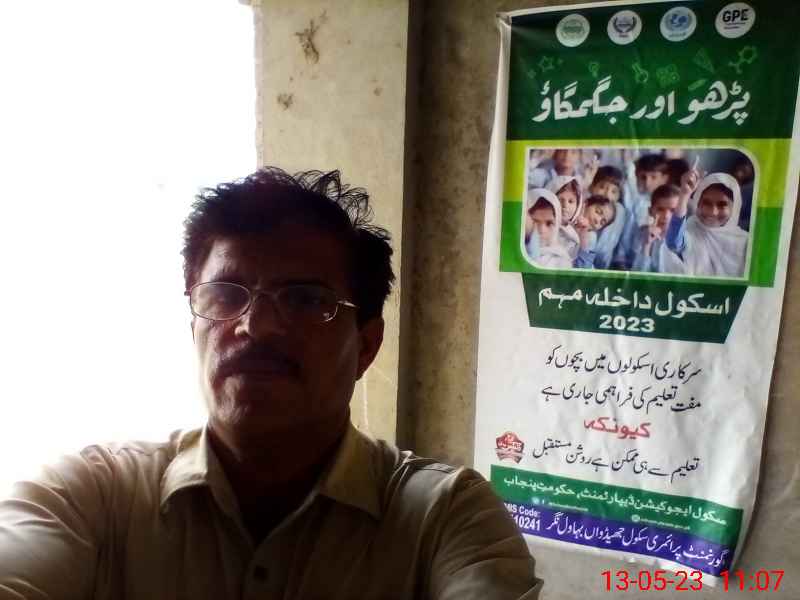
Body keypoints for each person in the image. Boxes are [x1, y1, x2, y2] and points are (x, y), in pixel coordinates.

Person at [0, 168, 542, 599]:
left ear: (367, 346)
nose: (254, 326)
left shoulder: (443, 518)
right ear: (193, 327)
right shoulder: (93, 496)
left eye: (305, 300)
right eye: (225, 294)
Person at [662, 171, 749, 277]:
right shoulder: (691, 230)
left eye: (722, 205)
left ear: (734, 208)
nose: (713, 212)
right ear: (697, 203)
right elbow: (673, 243)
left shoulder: (746, 242)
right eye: (706, 203)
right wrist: (684, 195)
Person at [631, 184, 681, 273]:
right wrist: (646, 246)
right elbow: (637, 276)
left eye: (673, 210)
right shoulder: (640, 235)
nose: (666, 216)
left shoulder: (685, 239)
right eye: (660, 209)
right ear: (650, 211)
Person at [524, 188, 572, 268]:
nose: (542, 230)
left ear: (557, 224)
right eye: (535, 221)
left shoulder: (562, 261)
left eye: (549, 223)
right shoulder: (514, 249)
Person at [573, 195, 615, 269]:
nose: (597, 220)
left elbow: (583, 267)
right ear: (586, 204)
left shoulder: (591, 237)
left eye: (602, 222)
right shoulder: (570, 215)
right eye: (598, 212)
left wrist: (583, 237)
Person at [547, 175, 583, 259]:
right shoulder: (540, 225)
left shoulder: (574, 239)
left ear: (578, 206)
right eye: (560, 200)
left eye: (570, 201)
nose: (565, 205)